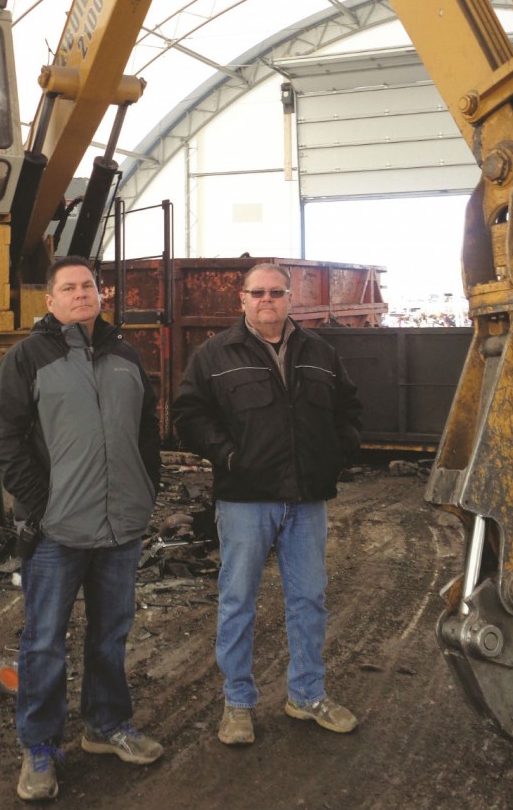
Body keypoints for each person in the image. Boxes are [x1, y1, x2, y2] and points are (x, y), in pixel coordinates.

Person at [0, 255, 163, 802]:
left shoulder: (126, 355)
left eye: (89, 285)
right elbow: (3, 438)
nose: (81, 294)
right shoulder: (27, 358)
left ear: (100, 295)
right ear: (50, 300)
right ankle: (39, 746)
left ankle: (106, 727)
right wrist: (40, 507)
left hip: (120, 528)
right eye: (69, 287)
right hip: (55, 532)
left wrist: (145, 492)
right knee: (43, 643)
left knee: (110, 635)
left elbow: (147, 433)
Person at [173, 262, 362, 746]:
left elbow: (349, 409)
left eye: (276, 293)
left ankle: (307, 694)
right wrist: (229, 454)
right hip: (245, 500)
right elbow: (189, 413)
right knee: (238, 601)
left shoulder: (319, 353)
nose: (267, 301)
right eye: (257, 293)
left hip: (306, 501)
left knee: (309, 599)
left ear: (290, 297)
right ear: (241, 299)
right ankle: (237, 703)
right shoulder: (215, 354)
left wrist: (337, 455)